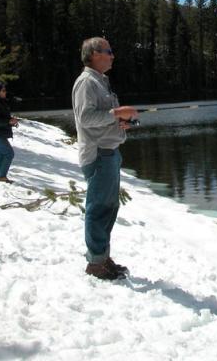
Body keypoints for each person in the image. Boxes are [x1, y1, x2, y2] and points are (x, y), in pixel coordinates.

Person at [72, 37, 139, 280]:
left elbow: (101, 118)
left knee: (109, 208)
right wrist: (116, 113)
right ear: (94, 54)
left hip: (109, 152)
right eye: (108, 51)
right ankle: (95, 263)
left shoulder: (101, 82)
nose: (112, 56)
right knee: (98, 208)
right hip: (98, 154)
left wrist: (121, 122)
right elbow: (86, 118)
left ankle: (102, 257)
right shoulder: (86, 83)